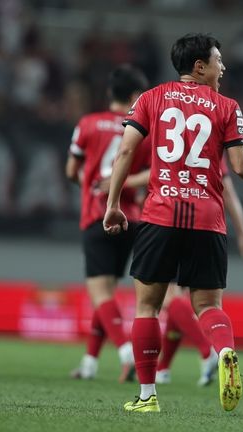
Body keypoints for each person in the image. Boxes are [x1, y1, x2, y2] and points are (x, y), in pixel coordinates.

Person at [104, 33, 243, 413]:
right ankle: (223, 351)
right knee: (207, 304)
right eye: (219, 60)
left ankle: (147, 396)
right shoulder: (227, 107)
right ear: (200, 66)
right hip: (207, 217)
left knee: (148, 307)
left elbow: (125, 150)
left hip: (160, 214)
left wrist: (113, 204)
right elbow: (239, 167)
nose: (224, 67)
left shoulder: (150, 98)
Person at [65, 64, 151, 382]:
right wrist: (129, 186)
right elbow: (155, 173)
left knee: (100, 295)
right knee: (109, 295)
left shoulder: (87, 124)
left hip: (97, 216)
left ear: (108, 94)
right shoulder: (143, 130)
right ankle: (89, 363)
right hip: (132, 220)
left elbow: (71, 171)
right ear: (133, 96)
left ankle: (127, 355)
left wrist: (89, 186)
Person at [155, 161, 243, 386]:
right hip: (208, 222)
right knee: (201, 303)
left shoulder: (160, 129)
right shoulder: (210, 133)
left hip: (168, 215)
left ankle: (207, 353)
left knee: (170, 299)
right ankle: (164, 369)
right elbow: (228, 187)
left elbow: (143, 167)